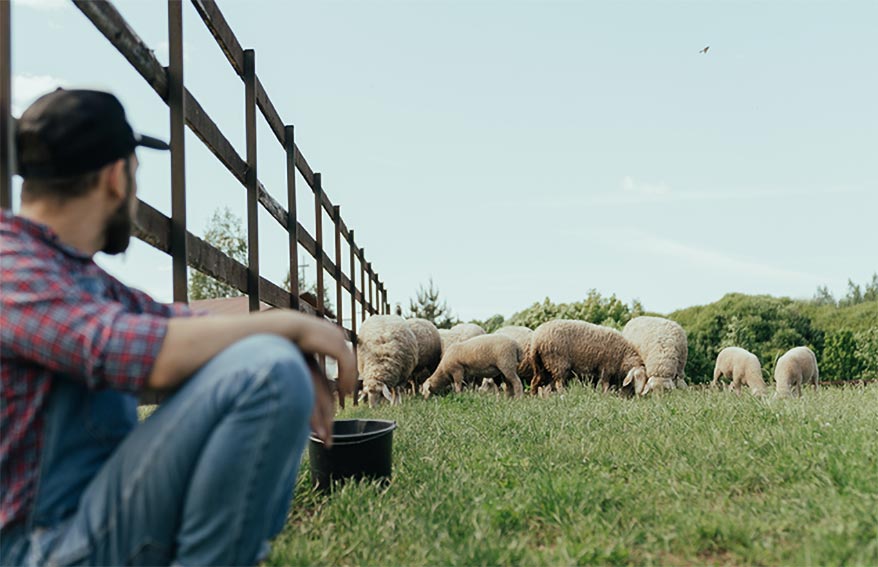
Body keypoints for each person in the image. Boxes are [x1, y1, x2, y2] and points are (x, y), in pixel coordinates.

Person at [0, 89, 357, 566]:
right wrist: (288, 329)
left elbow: (173, 322)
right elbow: (123, 347)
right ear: (115, 176)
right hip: (37, 548)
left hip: (85, 522)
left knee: (270, 359)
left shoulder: (71, 274)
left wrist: (279, 334)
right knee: (270, 372)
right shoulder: (11, 265)